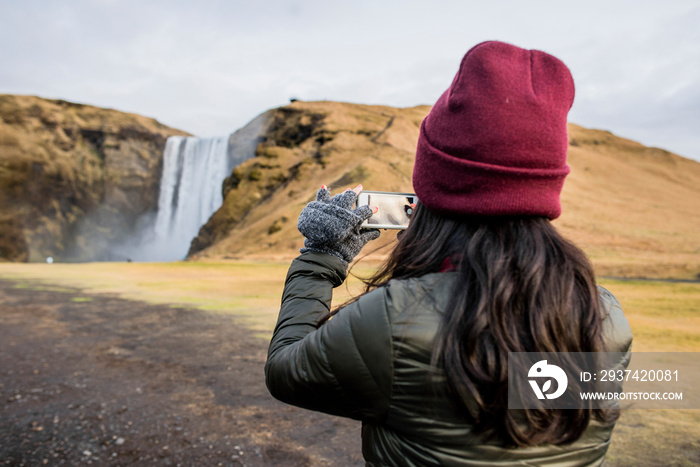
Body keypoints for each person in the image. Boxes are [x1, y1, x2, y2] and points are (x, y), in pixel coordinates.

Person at [265, 41, 633, 466]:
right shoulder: (606, 315)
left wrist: (321, 255)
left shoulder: (394, 319)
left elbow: (286, 371)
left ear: (436, 192)